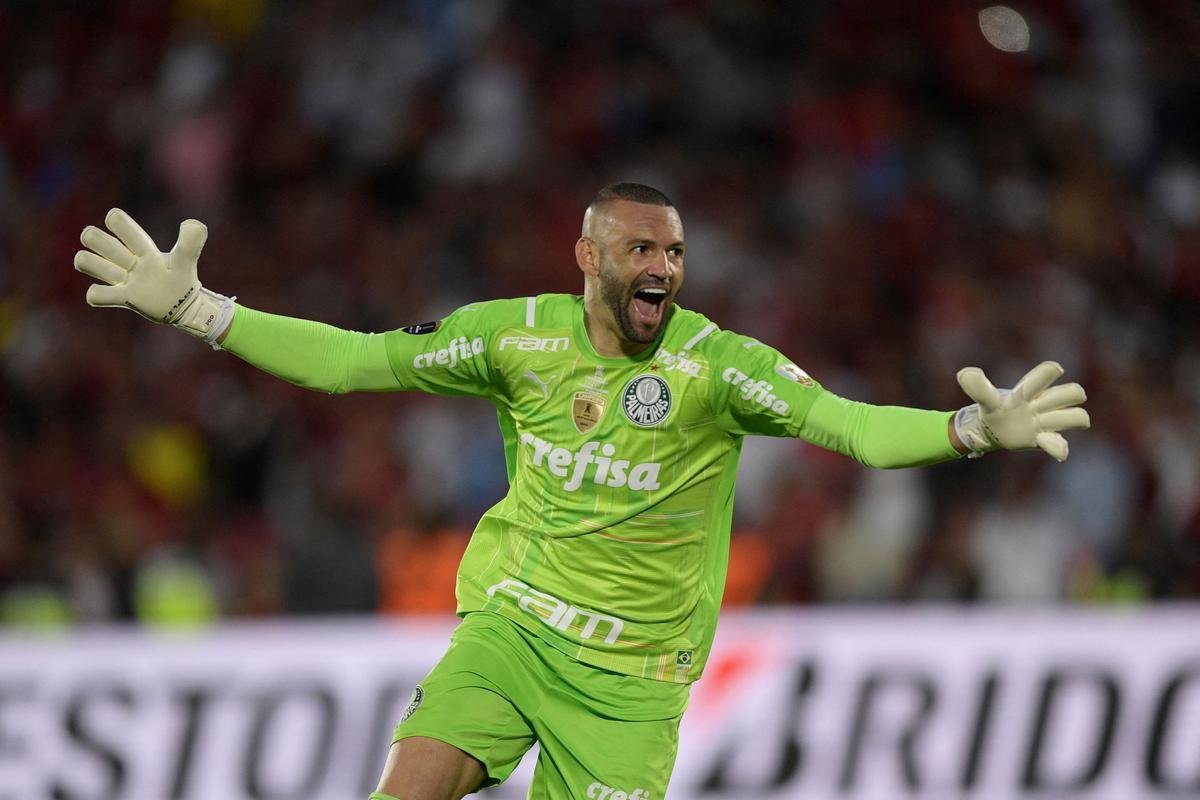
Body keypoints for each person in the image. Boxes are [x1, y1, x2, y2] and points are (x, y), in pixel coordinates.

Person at [74, 183, 1089, 799]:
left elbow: (856, 429)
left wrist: (969, 428)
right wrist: (203, 310)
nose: (664, 268)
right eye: (643, 249)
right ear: (589, 256)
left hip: (629, 681)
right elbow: (354, 362)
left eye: (677, 253)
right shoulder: (512, 336)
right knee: (411, 785)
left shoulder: (718, 367)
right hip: (513, 629)